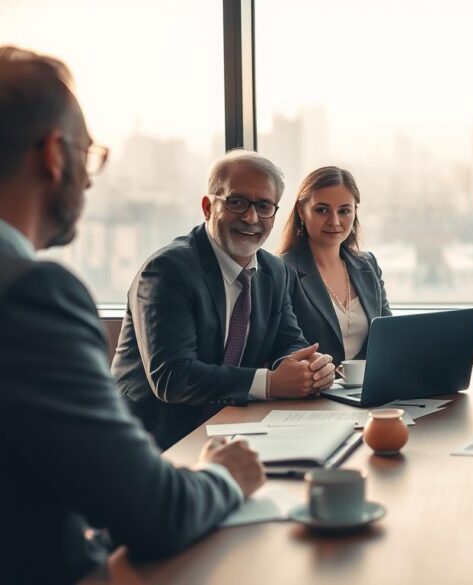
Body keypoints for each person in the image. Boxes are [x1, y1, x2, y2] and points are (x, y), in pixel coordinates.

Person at [0, 46, 265, 583]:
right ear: (54, 154)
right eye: (89, 155)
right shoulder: (31, 295)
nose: (91, 180)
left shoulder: (271, 271)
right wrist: (224, 476)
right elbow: (158, 514)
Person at [112, 150, 336, 449]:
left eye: (264, 206)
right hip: (152, 440)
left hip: (234, 428)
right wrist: (270, 383)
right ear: (207, 207)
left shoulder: (275, 271)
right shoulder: (168, 271)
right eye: (237, 202)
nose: (251, 217)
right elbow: (173, 377)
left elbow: (289, 341)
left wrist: (308, 368)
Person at [278, 166, 391, 362]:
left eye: (344, 211)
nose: (334, 221)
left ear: (355, 212)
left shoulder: (368, 265)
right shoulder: (281, 270)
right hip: (314, 389)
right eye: (322, 210)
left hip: (368, 386)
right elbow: (282, 346)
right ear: (301, 211)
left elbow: (389, 334)